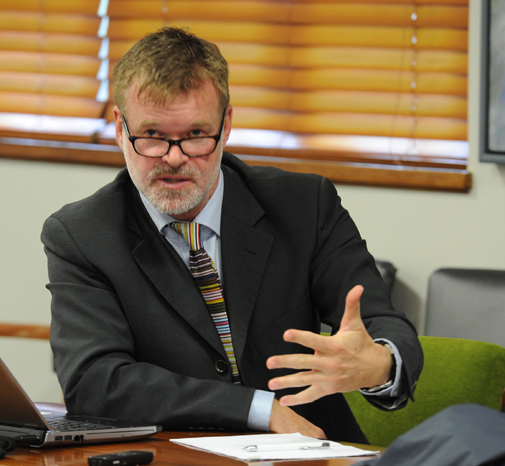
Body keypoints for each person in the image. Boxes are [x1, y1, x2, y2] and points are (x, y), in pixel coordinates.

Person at [42, 27, 423, 444]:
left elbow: (382, 323)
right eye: (151, 135)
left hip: (312, 451)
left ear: (225, 126)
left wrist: (381, 363)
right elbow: (96, 383)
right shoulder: (82, 235)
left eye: (195, 136)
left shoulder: (304, 205)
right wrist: (257, 409)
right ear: (119, 127)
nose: (174, 158)